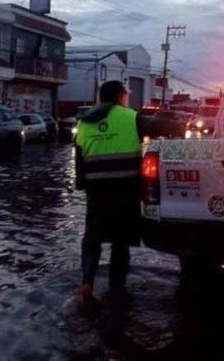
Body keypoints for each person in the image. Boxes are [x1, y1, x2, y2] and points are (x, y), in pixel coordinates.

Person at [74, 80, 144, 304]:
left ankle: (87, 281)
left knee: (92, 238)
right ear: (120, 97)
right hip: (126, 190)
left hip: (97, 193)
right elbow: (167, 127)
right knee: (120, 241)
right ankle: (116, 288)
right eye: (126, 95)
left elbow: (79, 166)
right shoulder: (131, 117)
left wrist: (85, 184)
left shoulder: (84, 123)